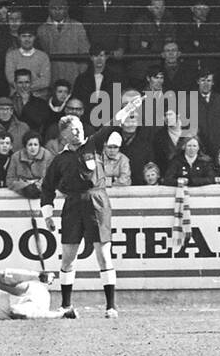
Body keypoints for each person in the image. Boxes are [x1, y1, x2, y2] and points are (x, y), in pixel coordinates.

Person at [39, 94, 144, 319]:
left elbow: (113, 123)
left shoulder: (94, 144)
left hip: (97, 201)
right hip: (72, 204)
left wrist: (128, 108)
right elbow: (47, 188)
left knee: (103, 254)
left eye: (79, 128)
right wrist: (47, 214)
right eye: (73, 130)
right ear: (64, 135)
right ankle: (66, 305)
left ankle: (111, 306)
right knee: (68, 256)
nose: (78, 132)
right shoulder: (59, 159)